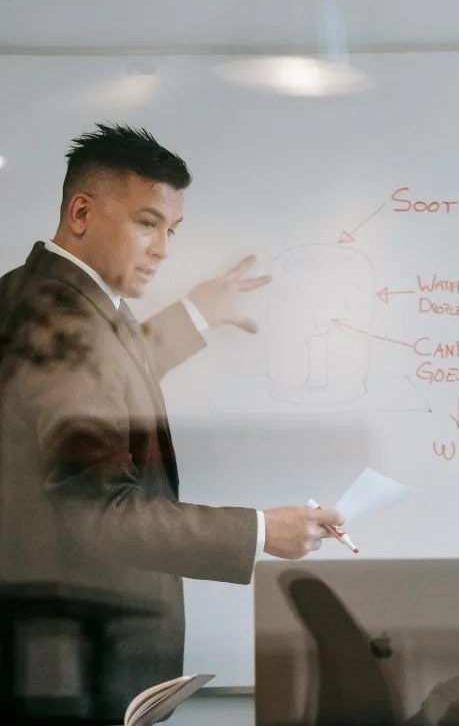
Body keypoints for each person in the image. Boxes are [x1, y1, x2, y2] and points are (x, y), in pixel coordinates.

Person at [0, 123, 343, 721]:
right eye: (147, 223)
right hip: (79, 673)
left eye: (171, 230)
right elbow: (102, 513)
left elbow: (97, 388)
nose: (163, 249)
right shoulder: (71, 327)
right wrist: (261, 532)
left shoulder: (30, 294)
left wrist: (193, 316)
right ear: (81, 213)